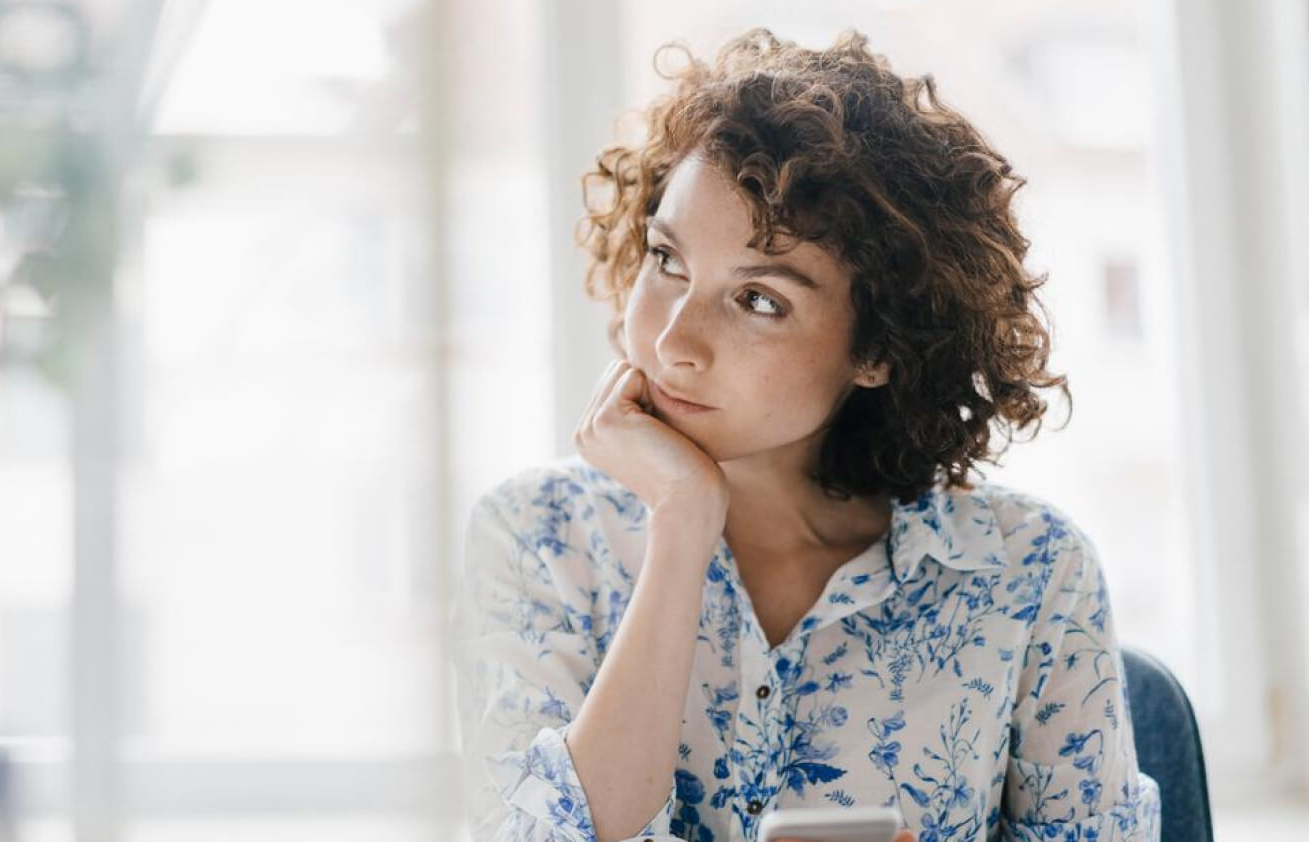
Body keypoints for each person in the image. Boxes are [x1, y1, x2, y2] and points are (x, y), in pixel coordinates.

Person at [448, 28, 1160, 842]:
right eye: (668, 259)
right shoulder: (535, 540)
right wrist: (683, 523)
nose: (676, 339)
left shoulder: (1031, 574)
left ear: (879, 347)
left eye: (759, 301)